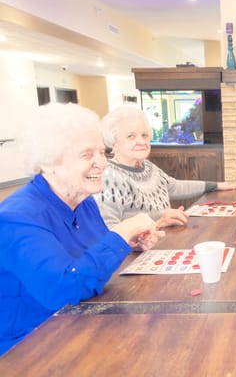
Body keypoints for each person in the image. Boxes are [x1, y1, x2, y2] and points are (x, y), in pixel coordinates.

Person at [0, 103, 163, 356]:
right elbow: (65, 289)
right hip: (30, 346)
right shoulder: (16, 217)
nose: (102, 163)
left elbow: (91, 258)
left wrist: (128, 243)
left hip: (81, 323)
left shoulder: (83, 201)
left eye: (102, 152)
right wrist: (121, 232)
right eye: (87, 155)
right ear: (48, 164)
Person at [94, 106, 234, 228]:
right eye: (131, 136)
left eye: (144, 135)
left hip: (162, 242)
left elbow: (175, 186)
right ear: (113, 143)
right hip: (134, 256)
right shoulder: (108, 177)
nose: (141, 141)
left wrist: (216, 185)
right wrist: (158, 224)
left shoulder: (148, 167)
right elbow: (109, 232)